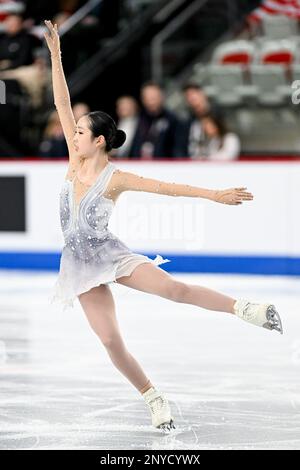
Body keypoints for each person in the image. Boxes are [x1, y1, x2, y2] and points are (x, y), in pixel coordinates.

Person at [44, 20, 283, 433]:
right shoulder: (73, 160)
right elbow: (62, 103)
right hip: (80, 265)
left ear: (99, 140)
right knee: (110, 341)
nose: (74, 134)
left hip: (109, 253)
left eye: (81, 132)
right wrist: (55, 54)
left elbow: (167, 187)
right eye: (75, 131)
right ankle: (154, 397)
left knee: (175, 289)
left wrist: (214, 195)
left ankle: (246, 309)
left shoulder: (115, 178)